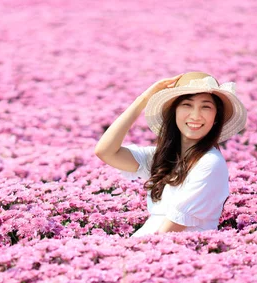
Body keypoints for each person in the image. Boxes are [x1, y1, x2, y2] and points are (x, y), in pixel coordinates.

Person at [94, 72, 247, 237]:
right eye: (187, 105)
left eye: (206, 107)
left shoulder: (209, 163)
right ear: (174, 112)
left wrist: (132, 253)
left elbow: (171, 228)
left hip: (172, 252)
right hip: (148, 248)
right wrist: (143, 100)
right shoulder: (163, 157)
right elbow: (105, 151)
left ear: (216, 117)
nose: (195, 115)